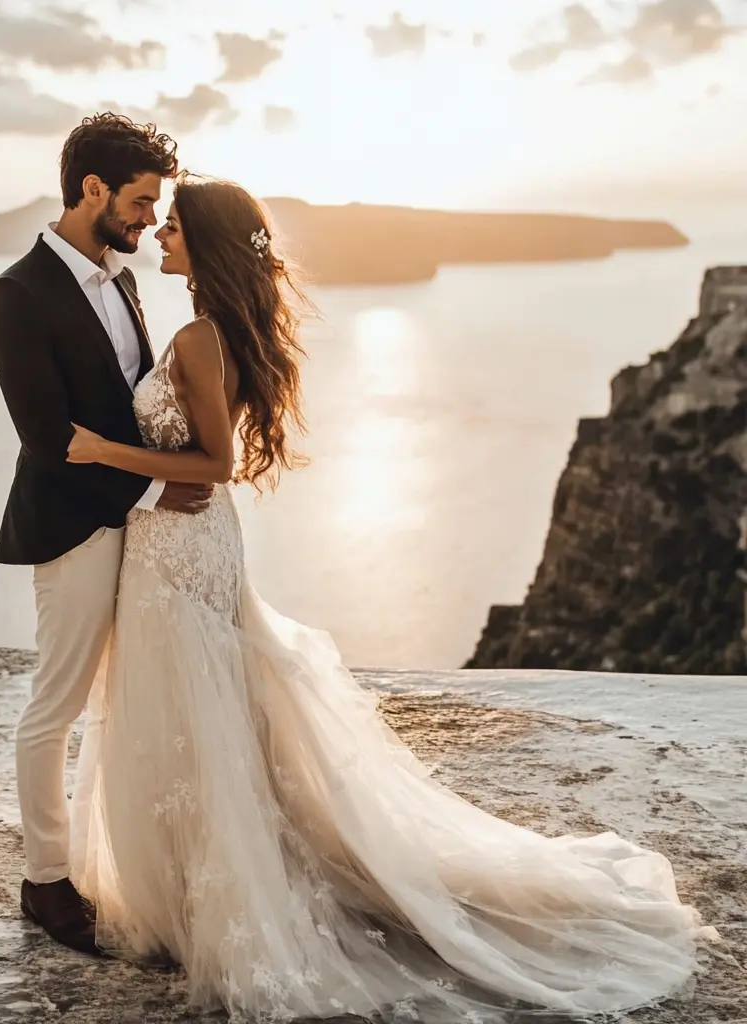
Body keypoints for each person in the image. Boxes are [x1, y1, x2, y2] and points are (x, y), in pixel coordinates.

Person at [64, 172, 718, 1023]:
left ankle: (209, 894)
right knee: (202, 714)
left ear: (210, 245)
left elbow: (216, 467)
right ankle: (198, 883)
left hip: (182, 550)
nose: (161, 235)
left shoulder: (199, 338)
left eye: (176, 226)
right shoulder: (220, 331)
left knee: (192, 710)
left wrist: (104, 454)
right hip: (193, 543)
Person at [0, 114, 213, 957]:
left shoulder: (120, 282)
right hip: (73, 525)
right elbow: (50, 437)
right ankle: (44, 880)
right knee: (58, 705)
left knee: (136, 697)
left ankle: (131, 858)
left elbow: (131, 405)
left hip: (142, 529)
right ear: (93, 190)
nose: (151, 220)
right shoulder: (15, 294)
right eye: (143, 202)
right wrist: (159, 483)